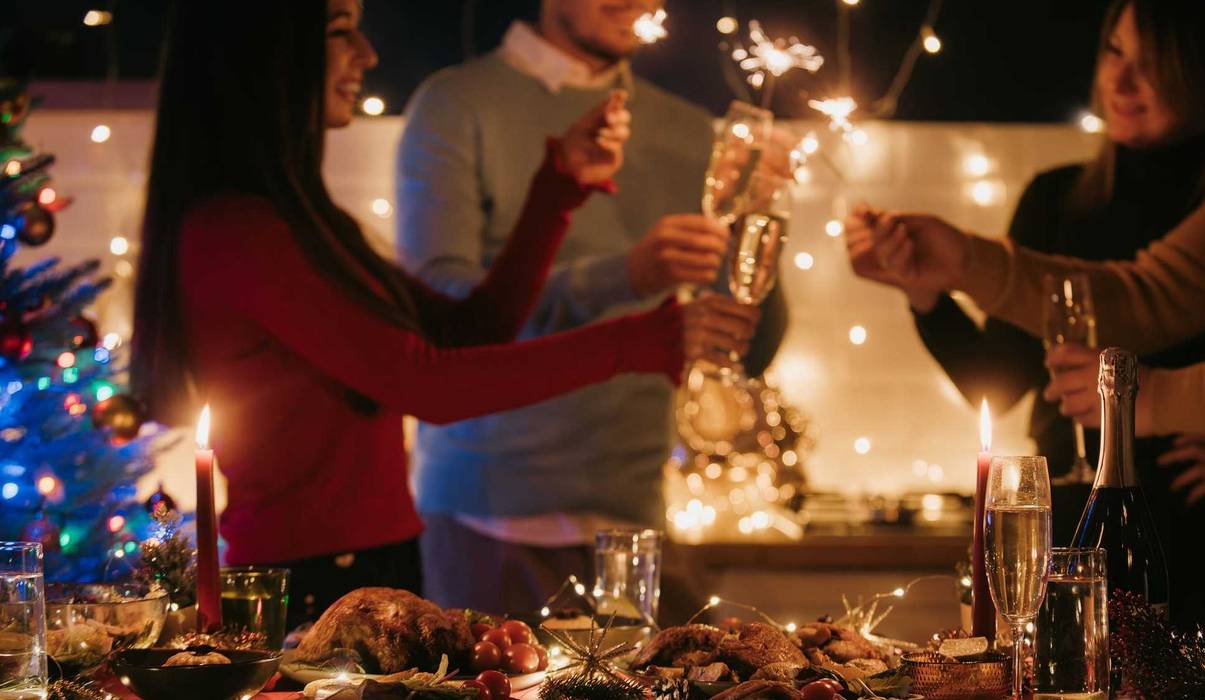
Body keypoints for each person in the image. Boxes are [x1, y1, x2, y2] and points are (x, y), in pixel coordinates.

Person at [129, 0, 759, 630]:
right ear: (264, 54)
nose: (367, 56)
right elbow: (429, 383)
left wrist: (555, 192)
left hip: (365, 569)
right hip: (310, 586)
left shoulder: (309, 224)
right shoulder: (240, 233)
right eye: (339, 32)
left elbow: (467, 334)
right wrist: (641, 340)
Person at [851, 0, 1205, 626]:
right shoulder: (1060, 200)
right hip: (1073, 514)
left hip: (1199, 530)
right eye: (1115, 52)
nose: (1122, 82)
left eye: (1155, 64)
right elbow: (1131, 301)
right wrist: (938, 282)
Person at [397, 0, 788, 613]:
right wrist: (627, 276)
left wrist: (760, 238)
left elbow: (744, 348)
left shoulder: (687, 130)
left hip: (635, 522)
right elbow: (446, 314)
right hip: (488, 519)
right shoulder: (456, 104)